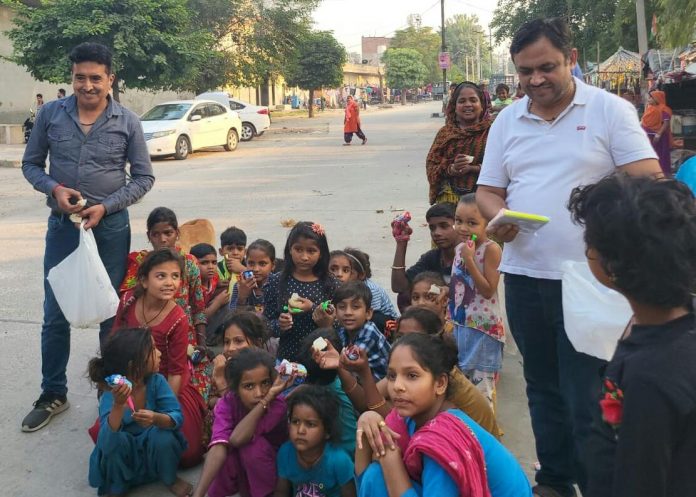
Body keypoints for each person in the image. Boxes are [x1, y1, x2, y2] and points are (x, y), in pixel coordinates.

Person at [475, 17, 661, 497]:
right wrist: (500, 218)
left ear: (571, 58)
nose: (535, 80)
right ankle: (554, 480)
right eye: (524, 71)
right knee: (542, 386)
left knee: (587, 393)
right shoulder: (508, 121)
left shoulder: (608, 111)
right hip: (524, 275)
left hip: (592, 280)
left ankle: (597, 482)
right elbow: (488, 191)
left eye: (546, 67)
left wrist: (597, 208)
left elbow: (647, 177)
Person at [21, 41, 154, 432]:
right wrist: (53, 190)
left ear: (110, 79)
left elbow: (144, 177)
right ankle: (53, 393)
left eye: (96, 78)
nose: (88, 85)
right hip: (63, 229)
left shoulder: (127, 121)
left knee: (109, 312)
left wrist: (107, 206)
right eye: (80, 77)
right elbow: (31, 165)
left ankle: (107, 391)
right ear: (73, 77)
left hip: (110, 229)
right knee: (54, 312)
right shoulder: (50, 115)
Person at [567, 175, 696, 497]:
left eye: (589, 243)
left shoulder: (649, 377)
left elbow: (640, 480)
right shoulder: (669, 326)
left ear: (613, 266)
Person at [354, 333, 531, 497]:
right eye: (392, 376)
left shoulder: (443, 440)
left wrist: (392, 465)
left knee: (381, 475)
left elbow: (381, 470)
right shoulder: (410, 417)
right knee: (376, 475)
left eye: (412, 375)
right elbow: (367, 481)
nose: (397, 385)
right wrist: (366, 418)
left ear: (440, 383)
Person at [110, 249, 206, 467]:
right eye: (161, 276)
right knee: (106, 435)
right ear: (143, 280)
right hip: (130, 379)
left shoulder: (178, 317)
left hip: (164, 384)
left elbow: (176, 371)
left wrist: (161, 410)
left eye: (175, 276)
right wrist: (115, 386)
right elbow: (114, 343)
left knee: (187, 454)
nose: (169, 282)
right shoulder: (127, 301)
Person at [120, 207, 211, 401]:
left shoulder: (189, 263)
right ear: (149, 236)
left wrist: (201, 344)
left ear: (177, 234)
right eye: (156, 234)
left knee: (197, 394)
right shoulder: (140, 264)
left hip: (184, 339)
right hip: (146, 341)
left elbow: (198, 307)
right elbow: (128, 306)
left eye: (168, 233)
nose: (162, 240)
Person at [87, 328, 191, 497]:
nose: (159, 354)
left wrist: (157, 419)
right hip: (125, 457)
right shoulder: (111, 393)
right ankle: (117, 485)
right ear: (133, 365)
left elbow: (176, 416)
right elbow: (106, 444)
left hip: (152, 453)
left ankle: (169, 477)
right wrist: (118, 406)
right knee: (116, 443)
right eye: (152, 350)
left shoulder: (156, 382)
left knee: (164, 437)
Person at [192, 348, 292, 497]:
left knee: (251, 447)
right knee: (221, 453)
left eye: (265, 383)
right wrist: (198, 494)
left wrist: (267, 399)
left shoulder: (277, 404)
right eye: (249, 386)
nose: (259, 393)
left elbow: (237, 439)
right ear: (236, 389)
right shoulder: (226, 403)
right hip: (244, 465)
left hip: (276, 471)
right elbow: (219, 445)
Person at [450, 194, 504, 410]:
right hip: (461, 324)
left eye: (472, 223)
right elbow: (460, 283)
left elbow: (488, 290)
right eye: (458, 220)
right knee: (462, 385)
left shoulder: (491, 249)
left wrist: (470, 260)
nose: (463, 228)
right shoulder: (460, 248)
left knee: (482, 390)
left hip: (483, 330)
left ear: (488, 225)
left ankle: (485, 433)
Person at [263, 221, 338, 361]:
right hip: (287, 357)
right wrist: (280, 324)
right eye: (298, 249)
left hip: (322, 359)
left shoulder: (330, 283)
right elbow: (265, 324)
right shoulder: (276, 281)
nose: (304, 257)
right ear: (290, 250)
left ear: (321, 253)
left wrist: (313, 308)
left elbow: (341, 322)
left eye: (311, 251)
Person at [274, 386, 356, 497]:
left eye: (310, 424)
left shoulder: (339, 460)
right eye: (295, 421)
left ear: (327, 431)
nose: (300, 430)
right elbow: (281, 492)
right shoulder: (286, 452)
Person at [426, 81, 491, 206]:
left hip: (484, 202)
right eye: (462, 101)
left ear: (482, 105)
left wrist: (474, 168)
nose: (468, 105)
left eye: (473, 100)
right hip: (449, 201)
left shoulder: (493, 132)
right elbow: (431, 167)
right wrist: (451, 169)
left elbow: (504, 166)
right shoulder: (445, 133)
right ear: (454, 107)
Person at [391, 203, 459, 299]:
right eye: (432, 228)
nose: (437, 233)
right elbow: (399, 287)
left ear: (459, 225)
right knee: (404, 297)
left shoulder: (472, 256)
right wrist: (401, 243)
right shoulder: (432, 258)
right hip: (438, 311)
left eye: (444, 226)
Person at [209, 311, 273, 407]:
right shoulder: (223, 368)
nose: (230, 348)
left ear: (258, 343)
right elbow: (209, 400)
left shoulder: (268, 372)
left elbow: (244, 410)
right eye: (227, 342)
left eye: (238, 341)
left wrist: (221, 382)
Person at [335, 281, 391, 380]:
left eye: (355, 307)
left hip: (381, 387)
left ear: (368, 313)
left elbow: (346, 363)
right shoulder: (343, 330)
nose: (348, 312)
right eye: (342, 307)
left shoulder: (369, 334)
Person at [343, 248, 400, 330]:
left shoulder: (371, 290)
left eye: (347, 271)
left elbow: (371, 315)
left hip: (385, 322)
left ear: (361, 275)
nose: (340, 274)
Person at [228, 239, 277, 314]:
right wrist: (241, 297)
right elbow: (232, 316)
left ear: (273, 265)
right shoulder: (239, 285)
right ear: (246, 263)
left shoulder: (277, 284)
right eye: (251, 263)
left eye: (262, 264)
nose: (256, 269)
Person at [641, 89, 673, 177]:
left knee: (660, 154)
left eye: (651, 98)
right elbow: (644, 121)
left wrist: (658, 134)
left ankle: (662, 173)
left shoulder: (664, 109)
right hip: (648, 136)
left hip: (659, 137)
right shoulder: (649, 108)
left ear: (657, 98)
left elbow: (666, 123)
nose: (649, 99)